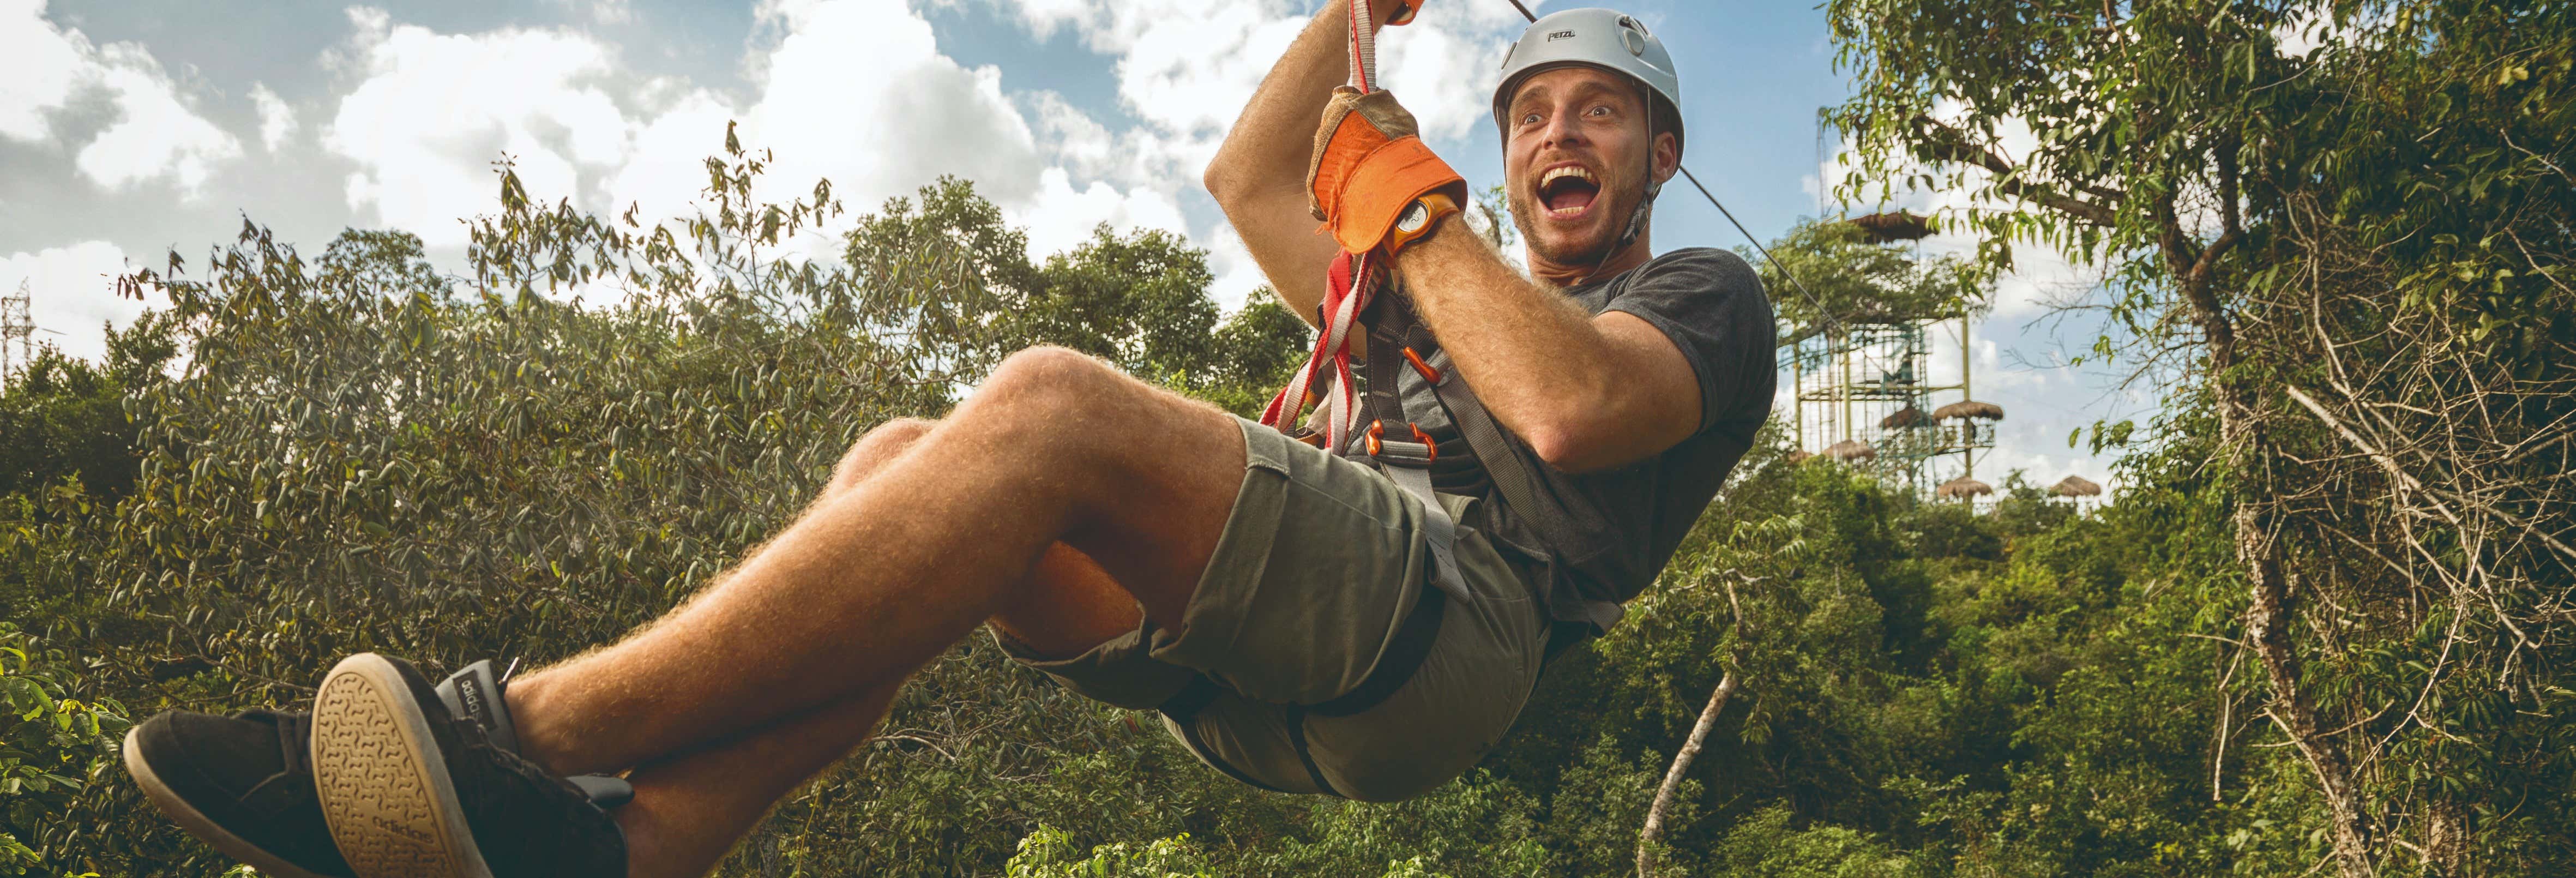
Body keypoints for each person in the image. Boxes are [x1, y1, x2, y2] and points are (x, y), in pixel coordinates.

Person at [118, 3, 1775, 876]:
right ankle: (630, 847)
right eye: (1528, 111)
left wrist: (1405, 209)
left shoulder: (1699, 296)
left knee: (1051, 404)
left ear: (1655, 152)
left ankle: (517, 734)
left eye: (1597, 112)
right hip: (1275, 657)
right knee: (907, 457)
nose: (1557, 131)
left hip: (1442, 641)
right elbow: (1252, 182)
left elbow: (1566, 402)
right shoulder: (1436, 274)